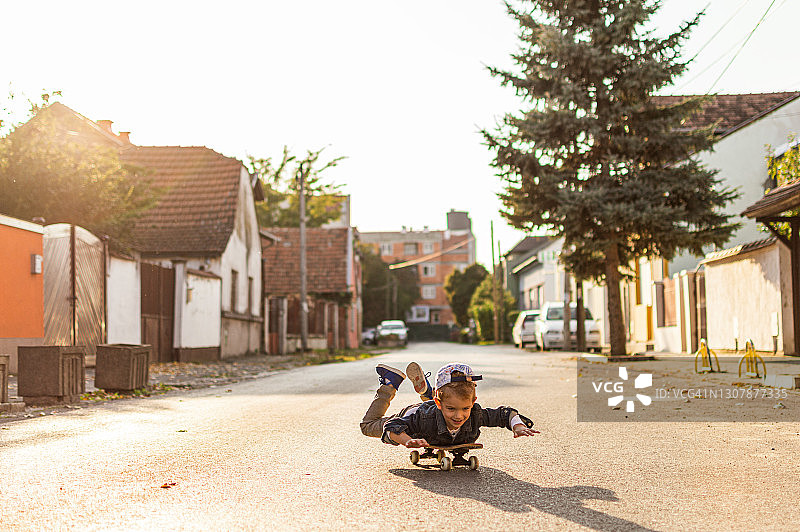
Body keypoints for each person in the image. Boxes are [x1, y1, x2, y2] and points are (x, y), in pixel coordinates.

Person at [360, 362, 539, 448]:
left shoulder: (475, 413)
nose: (459, 416)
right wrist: (408, 440)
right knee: (367, 426)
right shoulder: (421, 417)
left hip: (436, 404)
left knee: (442, 407)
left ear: (473, 402)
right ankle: (390, 384)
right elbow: (393, 427)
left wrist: (518, 425)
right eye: (452, 409)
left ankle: (429, 393)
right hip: (417, 413)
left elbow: (504, 414)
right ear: (439, 402)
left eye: (465, 408)